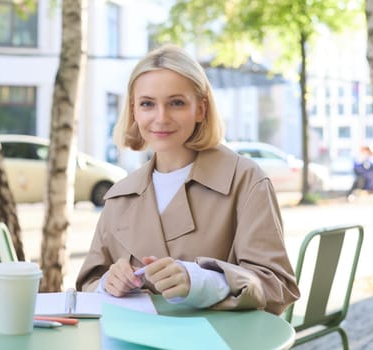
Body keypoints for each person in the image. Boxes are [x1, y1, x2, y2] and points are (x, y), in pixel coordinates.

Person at [76, 44, 300, 315]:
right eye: (147, 104)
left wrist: (200, 280)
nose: (161, 118)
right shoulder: (120, 195)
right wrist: (108, 283)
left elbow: (277, 287)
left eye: (176, 103)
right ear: (134, 110)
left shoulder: (245, 180)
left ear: (200, 109)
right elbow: (87, 283)